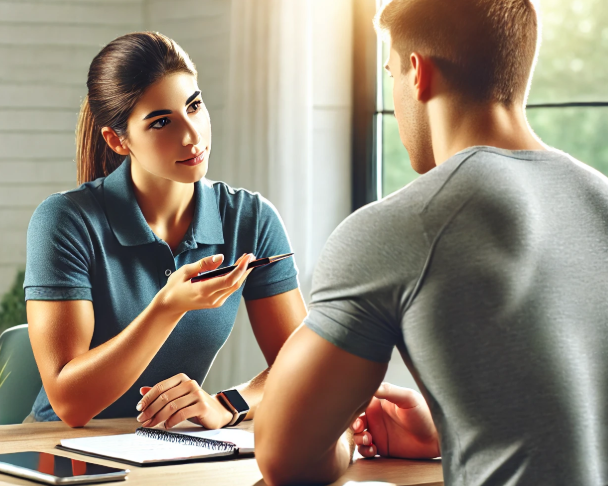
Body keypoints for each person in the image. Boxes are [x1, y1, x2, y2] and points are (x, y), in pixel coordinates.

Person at [255, 0, 608, 485]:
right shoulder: (601, 198)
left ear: (417, 73)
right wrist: (452, 431)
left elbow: (284, 458)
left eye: (391, 73)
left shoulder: (405, 224)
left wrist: (341, 439)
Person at [24, 32, 307, 428]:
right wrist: (168, 306)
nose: (192, 136)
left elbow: (303, 363)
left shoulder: (251, 219)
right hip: (59, 448)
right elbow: (70, 405)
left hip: (169, 447)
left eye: (194, 106)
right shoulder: (64, 221)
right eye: (161, 122)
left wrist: (228, 404)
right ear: (117, 141)